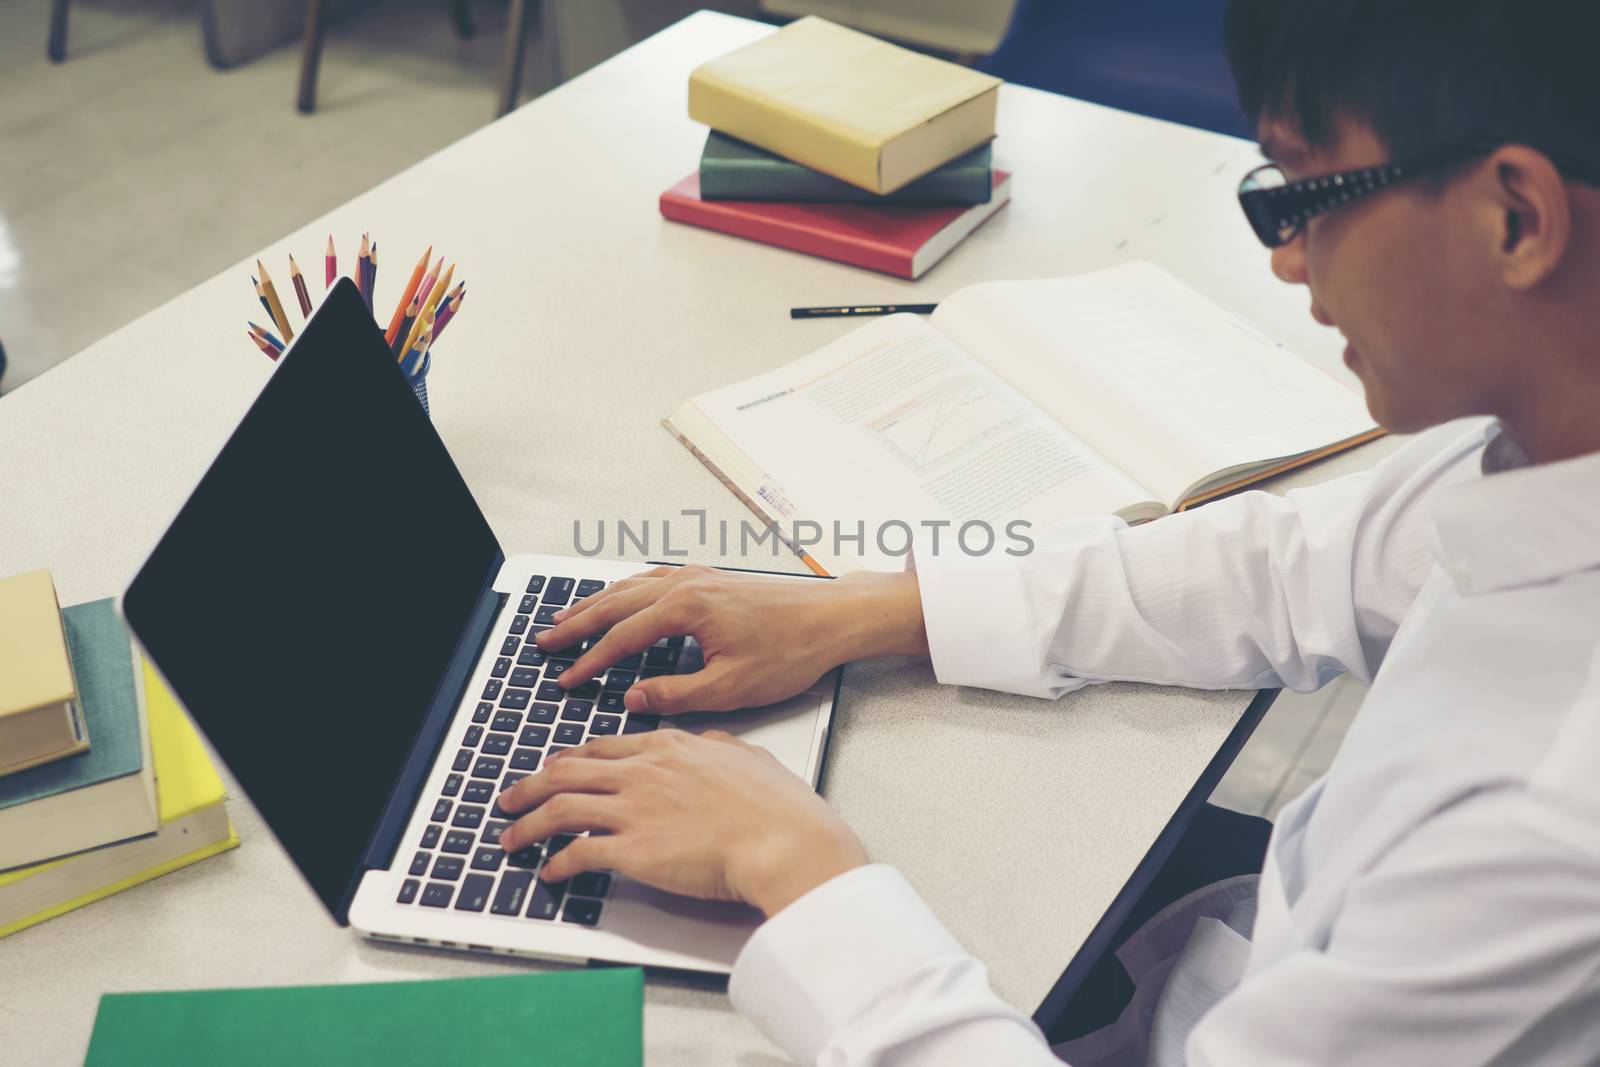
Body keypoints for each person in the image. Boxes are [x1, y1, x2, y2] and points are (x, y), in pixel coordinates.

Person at [498, 1, 1600, 1061]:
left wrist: (794, 864)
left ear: (1516, 215)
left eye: (1308, 194)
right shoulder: (1540, 441)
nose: (1287, 259)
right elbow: (1290, 565)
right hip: (1260, 938)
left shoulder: (1547, 816)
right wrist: (872, 609)